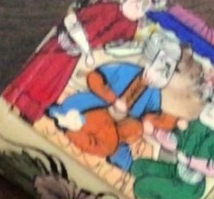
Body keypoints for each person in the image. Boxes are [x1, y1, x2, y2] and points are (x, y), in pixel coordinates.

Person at [2, 0, 154, 121]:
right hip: (62, 44)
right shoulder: (108, 6)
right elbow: (72, 19)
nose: (142, 1)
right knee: (37, 73)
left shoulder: (131, 27)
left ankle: (27, 113)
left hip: (74, 56)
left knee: (50, 85)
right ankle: (13, 104)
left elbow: (113, 48)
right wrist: (84, 45)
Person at [47, 28, 184, 172]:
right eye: (161, 67)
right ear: (149, 61)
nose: (163, 75)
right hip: (96, 109)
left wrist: (174, 121)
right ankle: (70, 126)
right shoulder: (125, 70)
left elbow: (154, 117)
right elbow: (94, 78)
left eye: (168, 72)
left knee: (119, 140)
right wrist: (112, 99)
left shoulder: (154, 94)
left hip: (116, 128)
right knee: (99, 135)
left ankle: (72, 128)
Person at [131, 84, 214, 199]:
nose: (213, 107)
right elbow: (176, 141)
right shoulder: (195, 124)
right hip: (176, 171)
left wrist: (190, 161)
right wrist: (155, 132)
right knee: (138, 166)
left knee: (141, 186)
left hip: (190, 187)